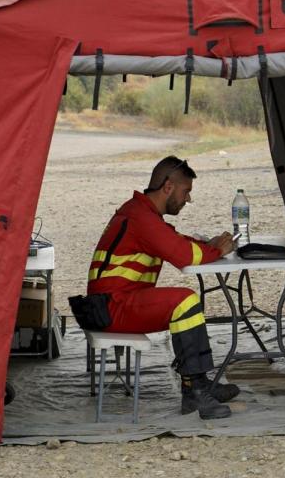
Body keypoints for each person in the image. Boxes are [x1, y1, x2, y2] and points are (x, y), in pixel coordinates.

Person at [86, 156, 239, 419]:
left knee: (184, 302)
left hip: (115, 303)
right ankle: (196, 391)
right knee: (185, 301)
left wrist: (209, 245)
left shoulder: (141, 212)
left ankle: (198, 387)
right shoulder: (141, 217)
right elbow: (183, 255)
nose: (188, 199)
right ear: (168, 187)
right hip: (113, 307)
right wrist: (215, 249)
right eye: (186, 191)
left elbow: (174, 239)